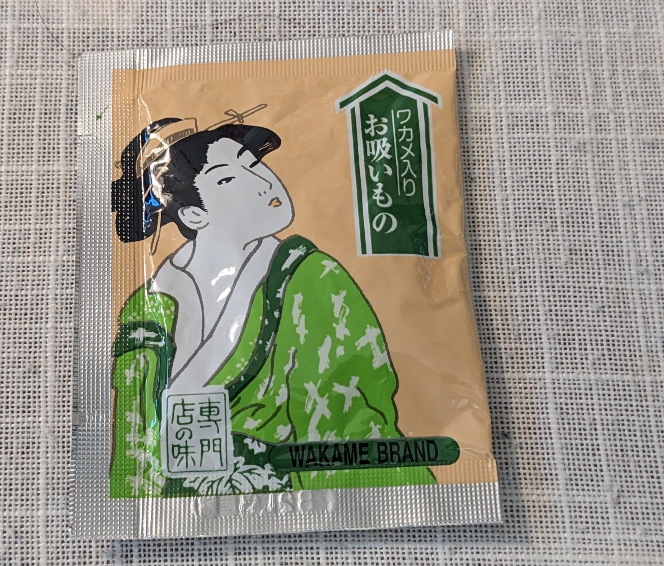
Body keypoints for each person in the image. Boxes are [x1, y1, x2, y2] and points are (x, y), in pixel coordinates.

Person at [109, 118, 436, 497]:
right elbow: (132, 446)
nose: (264, 183)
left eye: (254, 164)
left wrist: (397, 503)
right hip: (174, 507)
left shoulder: (308, 277)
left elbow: (353, 420)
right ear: (194, 215)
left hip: (298, 500)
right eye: (227, 179)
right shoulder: (147, 308)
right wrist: (136, 511)